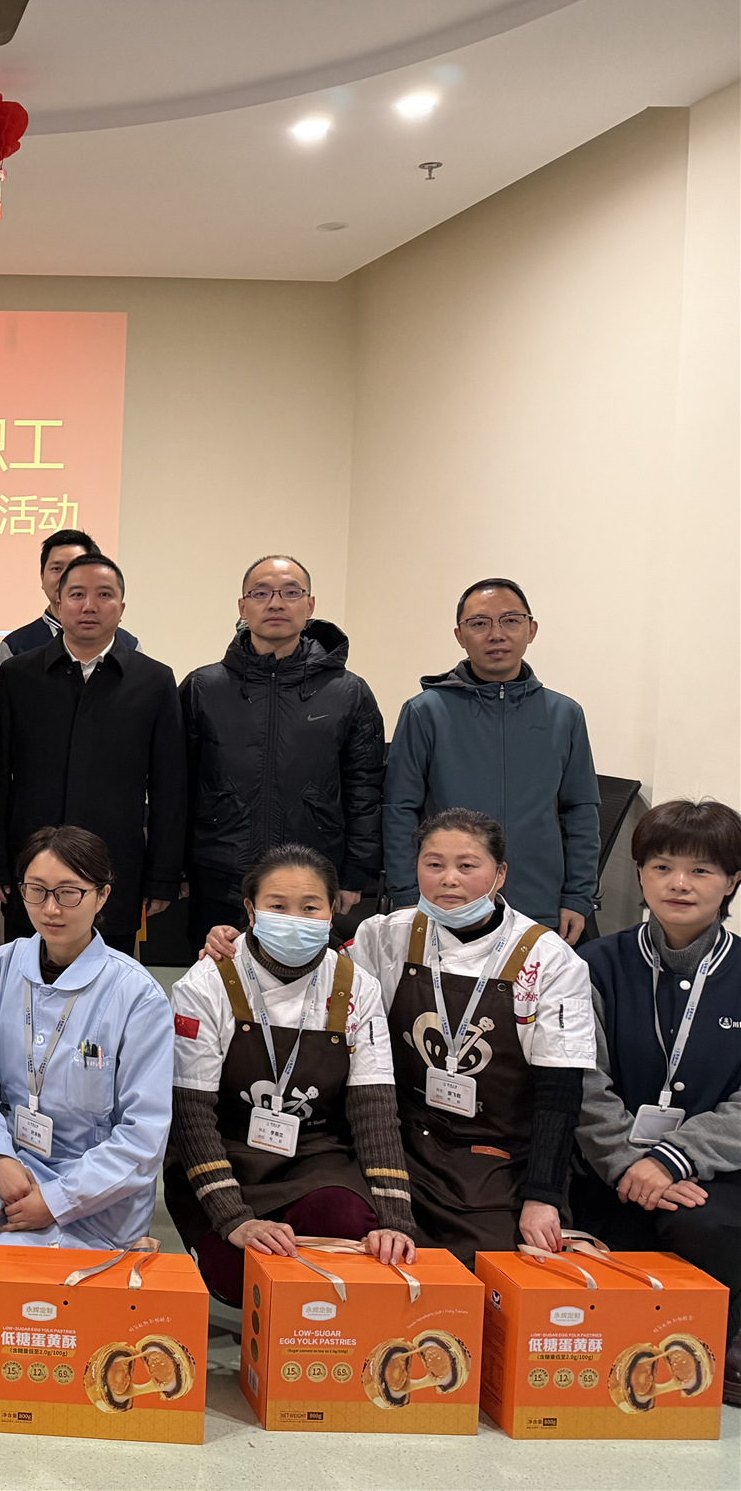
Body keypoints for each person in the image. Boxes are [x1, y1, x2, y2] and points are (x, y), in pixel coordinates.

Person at [207, 807, 594, 1265]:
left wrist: (543, 1195)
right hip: (397, 1140)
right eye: (434, 864)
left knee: (490, 1269)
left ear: (500, 874)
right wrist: (238, 945)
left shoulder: (550, 959)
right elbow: (304, 971)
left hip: (496, 1157)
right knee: (363, 1250)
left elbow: (559, 1094)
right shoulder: (383, 934)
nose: (449, 879)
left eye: (467, 865)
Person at [0, 826, 173, 1322]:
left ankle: (62, 1259)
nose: (51, 909)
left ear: (102, 896)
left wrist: (56, 1201)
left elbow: (143, 1137)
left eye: (68, 893)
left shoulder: (137, 995)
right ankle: (22, 1256)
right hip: (15, 1162)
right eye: (36, 891)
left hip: (95, 1186)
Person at [167, 844, 415, 1304]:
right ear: (250, 911)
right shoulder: (207, 982)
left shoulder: (356, 985)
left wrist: (396, 1221)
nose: (294, 919)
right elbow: (191, 1116)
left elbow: (375, 1112)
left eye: (310, 907)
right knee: (240, 1278)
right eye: (278, 906)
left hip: (314, 1158)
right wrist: (234, 1219)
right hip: (227, 1153)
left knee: (351, 1231)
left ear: (333, 910)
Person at [572, 798, 741, 1406]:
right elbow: (580, 1079)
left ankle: (724, 1342)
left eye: (701, 870)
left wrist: (673, 1159)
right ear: (640, 874)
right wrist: (627, 1162)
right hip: (606, 1167)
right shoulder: (593, 963)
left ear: (732, 881)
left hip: (711, 1174)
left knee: (709, 1225)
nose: (679, 883)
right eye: (662, 866)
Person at [0, 553, 184, 955]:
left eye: (104, 595)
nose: (89, 606)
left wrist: (163, 875)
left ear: (122, 608)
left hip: (116, 866)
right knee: (27, 972)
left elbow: (170, 787)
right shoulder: (17, 676)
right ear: (58, 604)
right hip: (31, 865)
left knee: (109, 977)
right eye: (77, 594)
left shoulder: (154, 681)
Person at [179, 554, 384, 941]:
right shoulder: (203, 687)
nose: (275, 603)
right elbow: (179, 787)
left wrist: (356, 873)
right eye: (261, 593)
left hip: (310, 884)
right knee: (219, 977)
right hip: (219, 878)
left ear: (310, 605)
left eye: (291, 593)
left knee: (307, 979)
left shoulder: (348, 692)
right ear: (243, 607)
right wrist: (176, 869)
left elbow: (365, 789)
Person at [383, 578, 600, 944]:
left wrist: (578, 897)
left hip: (538, 900)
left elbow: (581, 810)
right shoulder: (426, 712)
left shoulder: (565, 715)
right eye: (480, 623)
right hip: (447, 900)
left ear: (531, 630)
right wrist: (406, 894)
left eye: (511, 620)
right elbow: (399, 809)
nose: (496, 634)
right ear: (459, 635)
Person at [0, 529, 140, 675]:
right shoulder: (15, 646)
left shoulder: (129, 645)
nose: (66, 577)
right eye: (57, 568)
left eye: (76, 567)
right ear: (42, 577)